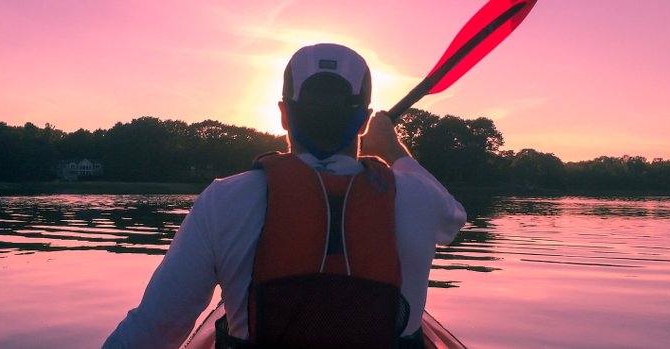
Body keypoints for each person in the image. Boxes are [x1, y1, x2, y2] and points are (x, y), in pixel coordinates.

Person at [103, 43, 467, 348]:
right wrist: (393, 148)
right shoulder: (419, 198)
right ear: (363, 120)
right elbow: (454, 217)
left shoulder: (224, 199)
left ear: (283, 114)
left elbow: (153, 330)